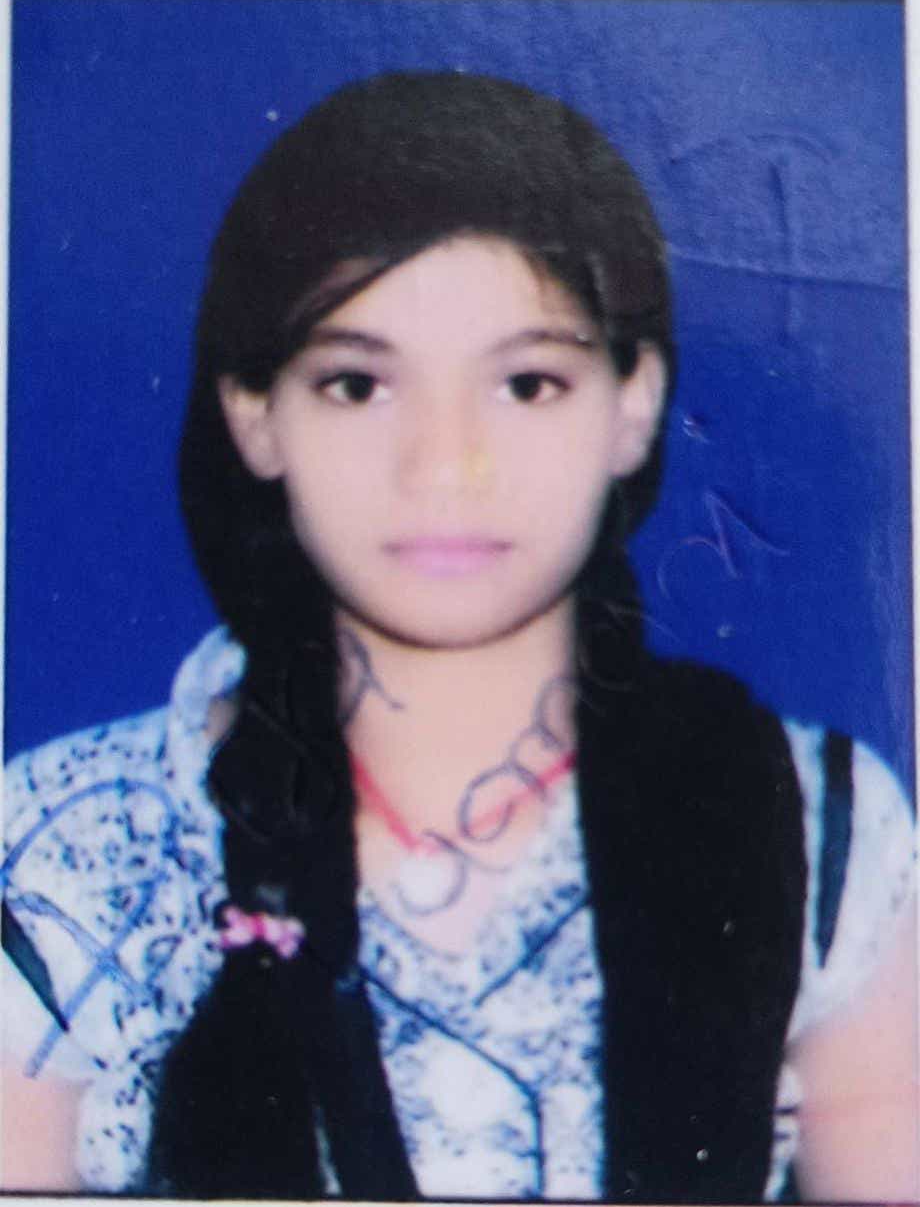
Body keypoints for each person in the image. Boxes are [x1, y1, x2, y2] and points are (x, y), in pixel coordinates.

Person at [1, 72, 916, 1203]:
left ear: (633, 402)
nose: (445, 465)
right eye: (357, 384)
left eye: (526, 383)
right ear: (254, 412)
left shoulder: (818, 823)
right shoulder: (64, 853)